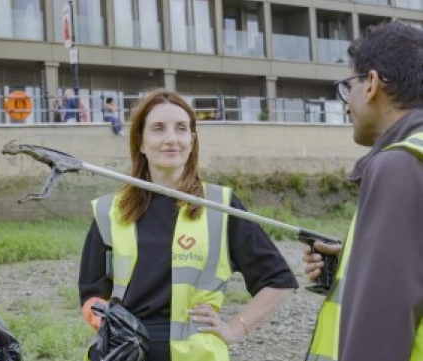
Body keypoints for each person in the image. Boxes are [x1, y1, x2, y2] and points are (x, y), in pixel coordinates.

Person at [78, 88, 298, 361]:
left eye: (181, 129)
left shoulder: (221, 205)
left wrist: (235, 328)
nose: (171, 139)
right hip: (125, 353)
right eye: (158, 129)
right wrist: (110, 326)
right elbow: (91, 295)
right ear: (141, 141)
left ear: (192, 140)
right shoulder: (109, 211)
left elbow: (279, 280)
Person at [302, 21, 423, 361]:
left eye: (347, 86)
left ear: (371, 83)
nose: (345, 104)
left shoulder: (400, 164)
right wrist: (358, 267)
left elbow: (385, 320)